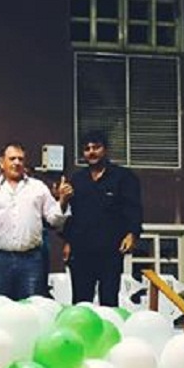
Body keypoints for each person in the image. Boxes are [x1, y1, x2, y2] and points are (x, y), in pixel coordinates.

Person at [0, 143, 73, 300]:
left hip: (31, 260)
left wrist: (63, 201)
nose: (17, 162)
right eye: (12, 158)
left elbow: (53, 219)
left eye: (20, 159)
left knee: (32, 306)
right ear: (1, 162)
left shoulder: (38, 187)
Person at [63, 131, 142, 306]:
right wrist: (68, 241)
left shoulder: (124, 177)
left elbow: (134, 208)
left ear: (105, 149)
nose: (91, 152)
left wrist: (132, 234)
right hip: (81, 251)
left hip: (110, 250)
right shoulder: (77, 179)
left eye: (96, 147)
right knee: (81, 302)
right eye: (87, 149)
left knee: (109, 300)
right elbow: (72, 214)